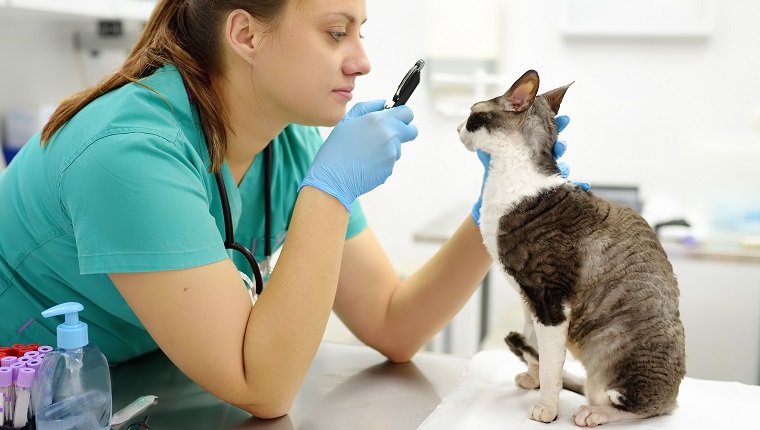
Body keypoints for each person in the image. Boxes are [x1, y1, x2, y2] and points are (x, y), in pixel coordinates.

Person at [0, 0, 583, 419]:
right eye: (336, 33)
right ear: (247, 35)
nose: (362, 61)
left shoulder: (288, 144)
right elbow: (264, 388)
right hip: (24, 397)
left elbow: (392, 322)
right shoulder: (129, 152)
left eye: (362, 32)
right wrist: (328, 193)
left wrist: (497, 213)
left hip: (129, 383)